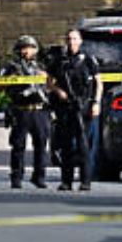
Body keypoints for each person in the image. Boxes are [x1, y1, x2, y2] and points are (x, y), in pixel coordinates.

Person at [48, 29, 102, 191]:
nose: (72, 42)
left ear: (80, 41)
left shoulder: (88, 60)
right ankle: (66, 181)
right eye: (69, 38)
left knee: (83, 144)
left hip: (84, 106)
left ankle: (85, 181)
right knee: (66, 146)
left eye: (75, 39)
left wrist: (96, 103)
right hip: (65, 107)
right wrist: (59, 92)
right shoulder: (59, 60)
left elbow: (99, 83)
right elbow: (49, 82)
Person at [1, 35, 51, 189]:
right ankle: (16, 176)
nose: (27, 51)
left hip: (39, 109)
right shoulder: (11, 67)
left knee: (41, 145)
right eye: (23, 48)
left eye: (30, 48)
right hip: (21, 110)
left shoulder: (42, 66)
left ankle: (39, 176)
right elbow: (0, 85)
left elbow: (54, 84)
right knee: (18, 146)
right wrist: (12, 79)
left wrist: (46, 78)